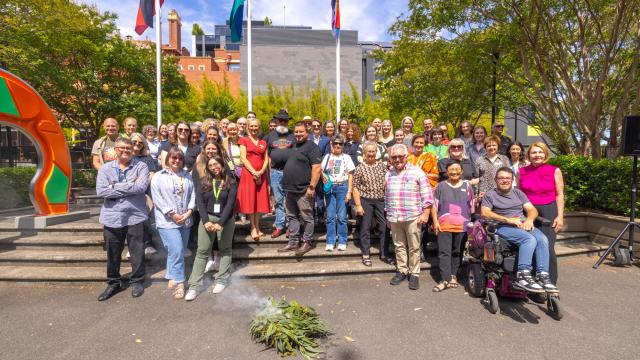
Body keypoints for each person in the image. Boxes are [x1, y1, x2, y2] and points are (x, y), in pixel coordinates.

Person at [481, 167, 558, 293]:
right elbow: (485, 212)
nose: (504, 180)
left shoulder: (518, 193)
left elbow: (532, 210)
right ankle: (523, 275)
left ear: (512, 180)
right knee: (529, 239)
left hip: (522, 224)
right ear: (495, 180)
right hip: (502, 226)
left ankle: (542, 275)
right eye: (501, 178)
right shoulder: (490, 195)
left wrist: (530, 220)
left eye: (507, 178)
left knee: (542, 239)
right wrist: (507, 219)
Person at [95, 137, 149, 301]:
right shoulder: (105, 169)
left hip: (135, 215)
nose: (125, 150)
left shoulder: (141, 166)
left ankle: (137, 281)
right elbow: (101, 192)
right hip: (112, 217)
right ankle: (113, 283)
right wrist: (128, 186)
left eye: (128, 148)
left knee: (137, 251)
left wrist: (114, 186)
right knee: (113, 253)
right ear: (116, 149)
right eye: (122, 148)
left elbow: (141, 187)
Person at [185, 156, 238, 300]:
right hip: (207, 219)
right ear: (207, 168)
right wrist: (206, 221)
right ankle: (194, 286)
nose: (214, 167)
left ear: (222, 165)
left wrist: (220, 222)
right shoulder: (203, 182)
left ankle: (222, 280)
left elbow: (230, 204)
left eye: (216, 164)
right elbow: (200, 203)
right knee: (202, 252)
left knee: (225, 249)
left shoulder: (231, 182)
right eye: (211, 165)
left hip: (225, 220)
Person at [151, 147, 196, 299]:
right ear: (168, 159)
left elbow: (193, 195)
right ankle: (180, 282)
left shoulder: (188, 176)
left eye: (180, 158)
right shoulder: (158, 176)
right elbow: (157, 198)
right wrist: (172, 214)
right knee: (177, 249)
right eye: (173, 158)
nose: (176, 161)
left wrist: (189, 211)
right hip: (167, 221)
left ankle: (171, 273)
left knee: (178, 250)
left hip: (185, 219)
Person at [386, 144, 433, 290]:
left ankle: (414, 274)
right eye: (394, 157)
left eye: (400, 156)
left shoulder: (417, 172)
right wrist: (388, 215)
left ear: (406, 157)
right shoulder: (389, 174)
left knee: (414, 247)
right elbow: (387, 197)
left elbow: (427, 195)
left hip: (413, 216)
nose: (397, 159)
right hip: (395, 216)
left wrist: (426, 213)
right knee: (399, 246)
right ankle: (402, 270)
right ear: (391, 159)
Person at [519, 142, 565, 284]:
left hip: (548, 211)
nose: (537, 155)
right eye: (534, 152)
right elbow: (518, 194)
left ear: (545, 154)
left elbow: (559, 195)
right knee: (530, 244)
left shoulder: (554, 170)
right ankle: (532, 282)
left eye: (540, 152)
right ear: (529, 155)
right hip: (527, 211)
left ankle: (550, 283)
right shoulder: (521, 171)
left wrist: (560, 216)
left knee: (547, 248)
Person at [279, 121, 322, 256]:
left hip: (304, 189)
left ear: (307, 132)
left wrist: (312, 187)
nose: (298, 134)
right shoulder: (293, 145)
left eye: (301, 132)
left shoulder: (312, 147)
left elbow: (317, 168)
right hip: (290, 189)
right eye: (296, 132)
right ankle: (293, 242)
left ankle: (307, 242)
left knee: (307, 217)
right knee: (291, 216)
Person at [431, 161, 474, 292]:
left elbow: (471, 206)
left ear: (461, 172)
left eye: (457, 170)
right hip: (444, 224)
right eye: (451, 170)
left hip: (462, 225)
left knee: (457, 252)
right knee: (444, 252)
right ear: (447, 172)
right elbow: (434, 205)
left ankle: (454, 276)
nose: (454, 172)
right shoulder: (440, 186)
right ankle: (444, 279)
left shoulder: (467, 186)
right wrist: (435, 222)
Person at [353, 141, 392, 266]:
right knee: (365, 227)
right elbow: (355, 188)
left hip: (381, 200)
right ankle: (365, 254)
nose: (371, 154)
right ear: (364, 153)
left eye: (373, 151)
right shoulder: (359, 168)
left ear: (376, 153)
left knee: (384, 227)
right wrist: (358, 205)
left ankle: (384, 254)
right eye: (368, 151)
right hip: (366, 200)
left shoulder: (382, 166)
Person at [238, 118, 270, 240]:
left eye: (256, 126)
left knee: (259, 201)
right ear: (248, 127)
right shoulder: (244, 140)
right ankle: (252, 227)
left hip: (261, 175)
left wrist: (261, 171)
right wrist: (254, 172)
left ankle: (257, 226)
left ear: (259, 127)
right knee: (250, 200)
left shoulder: (263, 142)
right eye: (251, 126)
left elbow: (266, 158)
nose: (254, 128)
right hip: (248, 175)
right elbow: (243, 158)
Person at [321, 135, 355, 251]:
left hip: (342, 187)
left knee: (341, 217)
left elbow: (350, 175)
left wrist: (349, 191)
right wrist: (323, 174)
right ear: (332, 144)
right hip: (330, 188)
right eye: (335, 143)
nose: (338, 145)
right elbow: (319, 169)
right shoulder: (327, 157)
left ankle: (342, 240)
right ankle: (330, 241)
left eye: (340, 144)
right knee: (330, 217)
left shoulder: (346, 157)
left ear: (343, 145)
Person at [264, 109, 295, 238]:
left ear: (288, 122)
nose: (282, 122)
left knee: (290, 200)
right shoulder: (269, 136)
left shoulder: (293, 135)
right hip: (276, 172)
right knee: (278, 200)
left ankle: (290, 227)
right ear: (276, 121)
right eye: (280, 120)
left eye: (285, 120)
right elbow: (265, 154)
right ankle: (279, 225)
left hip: (290, 172)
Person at [130, 132, 159, 256]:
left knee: (146, 217)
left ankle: (148, 243)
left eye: (140, 142)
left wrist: (140, 187)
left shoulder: (147, 158)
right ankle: (133, 247)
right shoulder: (126, 157)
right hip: (128, 192)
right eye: (134, 142)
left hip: (144, 192)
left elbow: (152, 173)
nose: (137, 144)